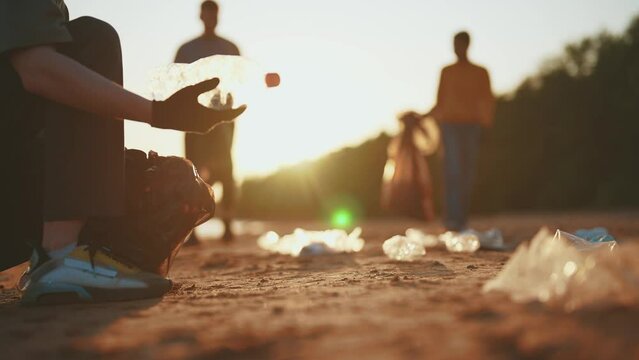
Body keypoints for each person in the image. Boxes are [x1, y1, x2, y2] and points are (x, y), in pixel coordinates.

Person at [1, 0, 245, 304]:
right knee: (93, 37)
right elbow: (38, 69)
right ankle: (59, 254)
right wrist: (161, 113)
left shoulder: (230, 46)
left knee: (150, 181)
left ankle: (69, 249)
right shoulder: (187, 47)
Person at [176, 1, 240, 243]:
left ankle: (228, 225)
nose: (210, 18)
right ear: (200, 16)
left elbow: (239, 82)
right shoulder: (186, 49)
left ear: (218, 17)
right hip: (193, 120)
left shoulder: (230, 47)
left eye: (214, 14)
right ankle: (191, 231)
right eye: (206, 13)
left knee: (226, 172)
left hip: (223, 121)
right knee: (192, 173)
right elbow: (177, 83)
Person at [421, 31, 495, 231]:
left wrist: (486, 125)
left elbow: (487, 100)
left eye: (459, 44)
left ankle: (460, 218)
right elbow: (440, 101)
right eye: (453, 45)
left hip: (471, 127)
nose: (456, 48)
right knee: (452, 171)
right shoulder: (447, 71)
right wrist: (420, 118)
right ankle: (451, 218)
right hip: (449, 126)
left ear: (467, 45)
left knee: (466, 173)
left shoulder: (480, 72)